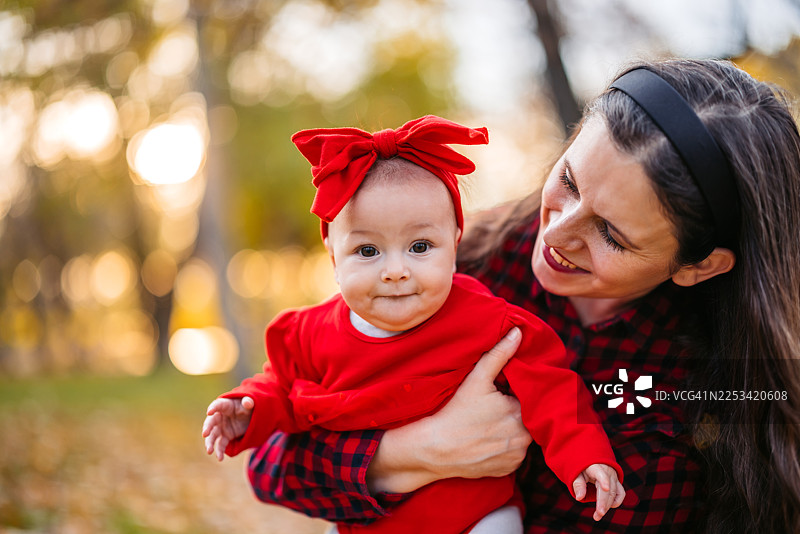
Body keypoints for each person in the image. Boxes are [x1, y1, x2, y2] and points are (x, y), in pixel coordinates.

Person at [218, 59, 800, 533]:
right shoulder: (447, 260)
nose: (558, 233)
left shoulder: (709, 396)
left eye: (611, 235)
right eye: (569, 181)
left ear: (699, 267)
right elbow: (272, 468)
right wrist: (414, 452)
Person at [202, 115, 626, 534]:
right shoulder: (306, 334)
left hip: (476, 515)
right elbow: (280, 389)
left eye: (420, 246)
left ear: (456, 242)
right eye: (368, 251)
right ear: (333, 254)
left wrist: (584, 453)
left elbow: (550, 386)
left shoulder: (486, 320)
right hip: (369, 521)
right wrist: (248, 409)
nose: (395, 270)